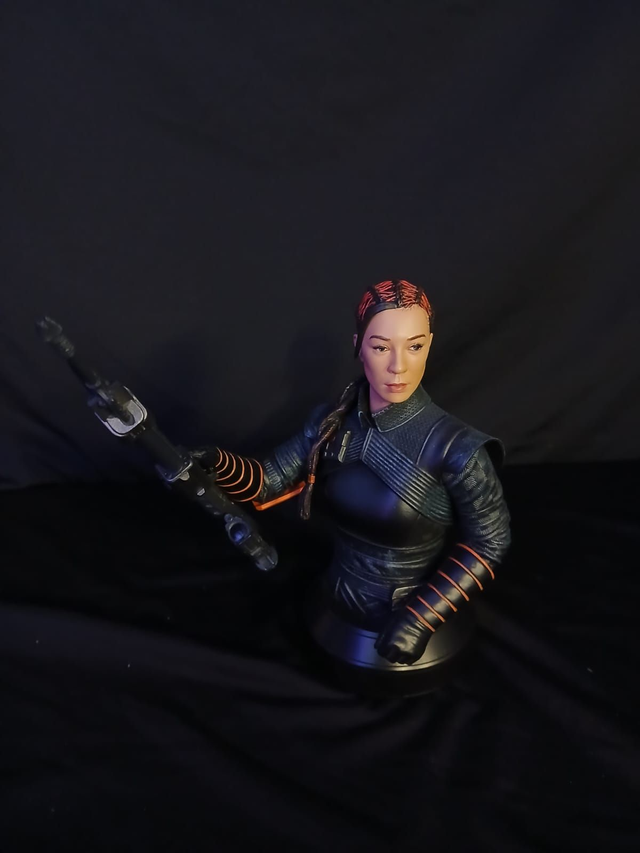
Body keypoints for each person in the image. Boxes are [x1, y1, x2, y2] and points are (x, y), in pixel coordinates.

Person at [194, 279, 511, 696]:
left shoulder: (456, 448)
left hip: (410, 611)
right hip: (334, 600)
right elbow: (268, 481)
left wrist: (421, 617)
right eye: (381, 347)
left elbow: (490, 540)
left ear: (429, 346)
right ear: (358, 346)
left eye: (414, 346)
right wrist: (216, 463)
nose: (398, 366)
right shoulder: (332, 423)